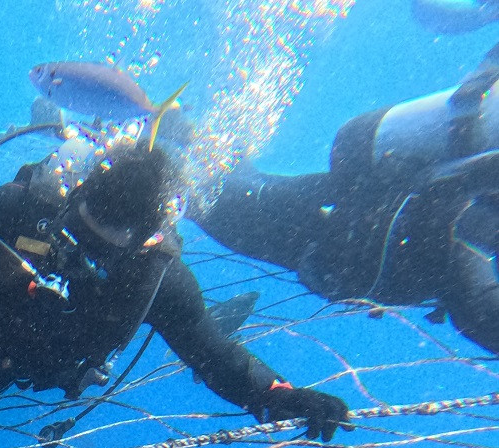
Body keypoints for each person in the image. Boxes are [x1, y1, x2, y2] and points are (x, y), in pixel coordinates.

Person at [0, 137, 350, 441]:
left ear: (137, 246)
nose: (78, 253)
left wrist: (280, 396)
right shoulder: (18, 207)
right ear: (75, 197)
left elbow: (213, 352)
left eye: (100, 251)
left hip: (23, 358)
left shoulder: (158, 280)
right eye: (76, 232)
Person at [196, 45, 499, 355]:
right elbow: (476, 306)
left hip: (383, 182)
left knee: (261, 200)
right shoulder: (476, 218)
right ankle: (181, 167)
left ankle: (193, 154)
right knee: (247, 205)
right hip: (370, 210)